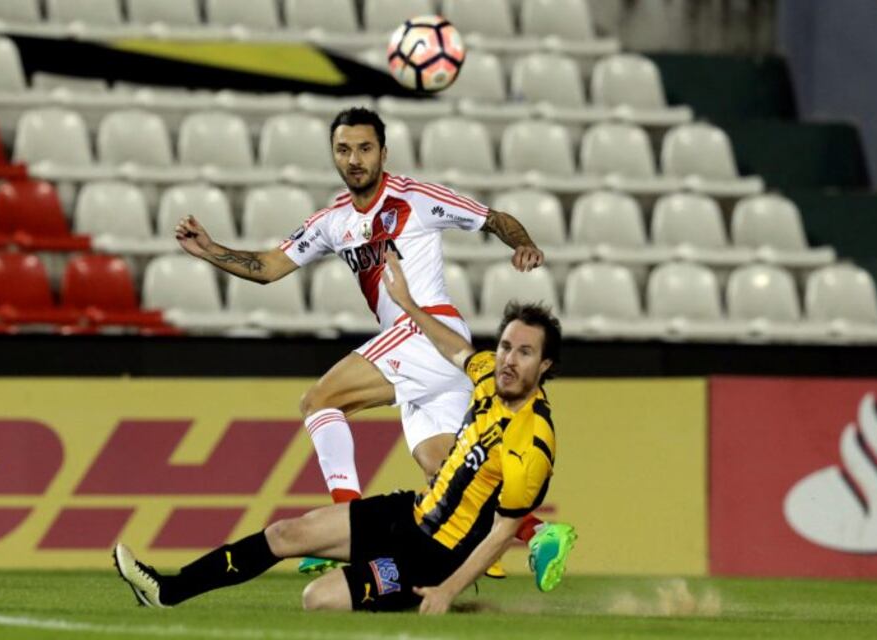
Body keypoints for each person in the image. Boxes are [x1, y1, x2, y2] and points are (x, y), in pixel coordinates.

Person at [174, 107, 550, 575]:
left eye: (364, 149)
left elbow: (492, 218)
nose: (354, 159)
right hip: (428, 357)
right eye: (343, 149)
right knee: (444, 471)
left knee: (318, 402)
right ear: (334, 155)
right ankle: (540, 532)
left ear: (383, 153)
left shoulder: (415, 198)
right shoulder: (333, 221)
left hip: (428, 330)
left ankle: (341, 522)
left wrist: (523, 243)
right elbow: (270, 267)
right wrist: (210, 250)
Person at [112, 251, 576, 613]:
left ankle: (423, 599)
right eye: (506, 347)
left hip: (434, 558)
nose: (509, 360)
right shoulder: (486, 376)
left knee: (319, 598)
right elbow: (454, 346)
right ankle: (167, 591)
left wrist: (447, 590)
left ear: (546, 365)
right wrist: (409, 303)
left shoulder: (532, 440)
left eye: (524, 353)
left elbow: (502, 531)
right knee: (287, 533)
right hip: (410, 514)